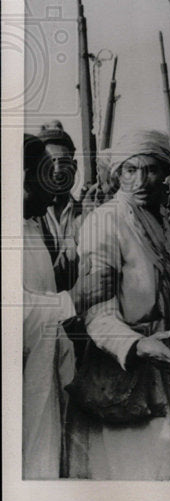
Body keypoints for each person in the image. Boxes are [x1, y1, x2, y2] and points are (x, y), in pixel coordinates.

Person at [65, 130, 170, 480]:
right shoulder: (105, 220)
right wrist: (136, 344)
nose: (140, 180)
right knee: (127, 475)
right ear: (117, 173)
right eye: (130, 170)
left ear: (164, 172)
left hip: (162, 361)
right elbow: (97, 310)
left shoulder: (162, 218)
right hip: (120, 367)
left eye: (150, 169)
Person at [22, 134, 76, 479]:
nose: (54, 186)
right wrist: (75, 299)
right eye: (43, 173)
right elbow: (15, 312)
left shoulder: (29, 226)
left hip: (41, 378)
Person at [37, 121, 84, 291]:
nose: (57, 170)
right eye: (50, 162)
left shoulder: (87, 214)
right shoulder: (28, 218)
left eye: (63, 162)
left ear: (74, 166)